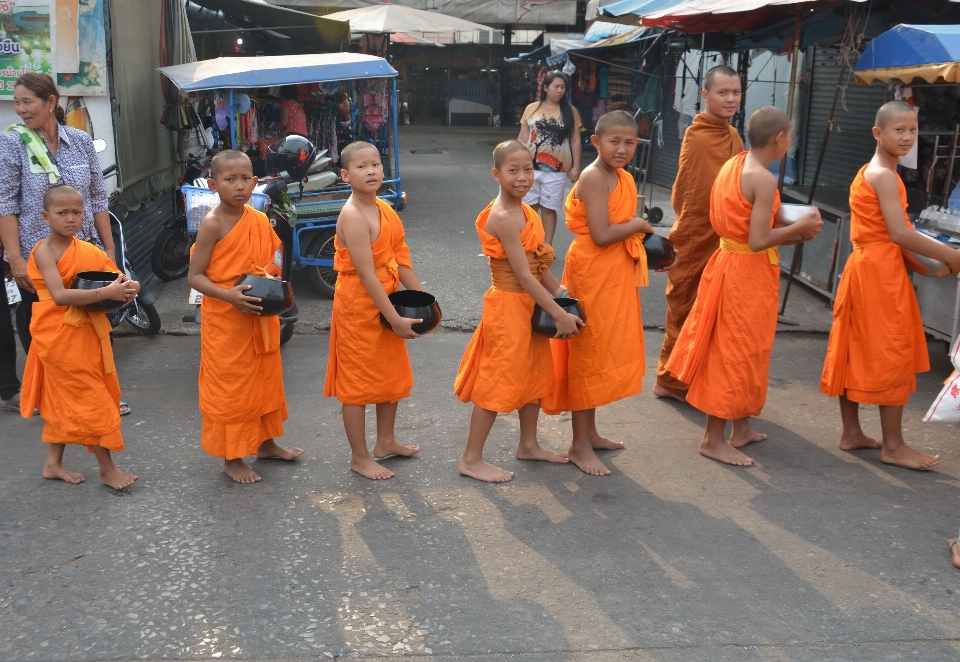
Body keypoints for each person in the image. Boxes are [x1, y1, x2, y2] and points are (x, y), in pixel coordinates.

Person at [665, 107, 823, 467]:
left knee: (748, 349)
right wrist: (798, 231)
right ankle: (712, 438)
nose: (791, 140)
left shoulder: (735, 163)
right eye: (791, 135)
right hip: (744, 272)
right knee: (732, 352)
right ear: (779, 139)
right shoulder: (763, 178)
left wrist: (797, 217)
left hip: (728, 265)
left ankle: (742, 426)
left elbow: (757, 216)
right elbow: (758, 238)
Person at [820, 101, 960, 470]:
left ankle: (852, 432)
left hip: (868, 267)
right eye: (898, 129)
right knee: (890, 352)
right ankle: (893, 446)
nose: (907, 137)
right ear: (878, 133)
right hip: (879, 276)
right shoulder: (883, 175)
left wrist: (934, 265)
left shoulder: (873, 170)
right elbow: (899, 232)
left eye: (913, 130)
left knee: (855, 348)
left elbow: (894, 235)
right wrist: (951, 256)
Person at [542, 110, 666, 476]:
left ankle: (591, 434)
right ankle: (579, 445)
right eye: (615, 141)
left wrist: (649, 248)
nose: (622, 149)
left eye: (630, 143)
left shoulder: (623, 177)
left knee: (602, 351)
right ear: (596, 142)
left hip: (614, 273)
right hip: (593, 272)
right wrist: (639, 225)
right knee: (589, 353)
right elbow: (601, 233)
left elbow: (621, 232)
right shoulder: (595, 176)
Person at [0, 73, 130, 416]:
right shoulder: (12, 143)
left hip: (84, 251)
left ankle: (98, 392)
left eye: (27, 102)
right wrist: (15, 260)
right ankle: (54, 395)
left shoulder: (81, 141)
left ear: (51, 103)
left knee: (93, 322)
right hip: (37, 254)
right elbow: (6, 205)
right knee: (45, 328)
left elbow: (97, 198)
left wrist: (109, 249)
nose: (20, 109)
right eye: (17, 102)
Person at [454, 140, 582, 483]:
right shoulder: (504, 216)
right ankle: (471, 458)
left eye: (528, 169)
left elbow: (537, 263)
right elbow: (524, 276)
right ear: (497, 174)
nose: (523, 177)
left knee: (534, 374)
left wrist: (561, 292)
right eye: (513, 171)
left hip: (531, 302)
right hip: (509, 306)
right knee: (499, 379)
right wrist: (558, 312)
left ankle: (529, 444)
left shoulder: (528, 211)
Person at [187, 150, 304, 484]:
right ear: (212, 185)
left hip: (259, 313)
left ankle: (266, 444)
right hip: (227, 319)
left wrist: (268, 278)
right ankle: (232, 457)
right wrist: (229, 295)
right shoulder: (212, 224)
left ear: (255, 182)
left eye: (245, 179)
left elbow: (270, 257)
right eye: (229, 179)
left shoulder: (256, 218)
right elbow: (195, 277)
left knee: (265, 382)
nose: (239, 186)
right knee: (233, 389)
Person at [19, 184, 138, 489]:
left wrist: (127, 287)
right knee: (90, 398)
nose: (70, 218)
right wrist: (106, 292)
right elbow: (58, 296)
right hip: (57, 335)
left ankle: (52, 464)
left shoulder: (86, 249)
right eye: (62, 213)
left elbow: (115, 275)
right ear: (45, 216)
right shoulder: (43, 252)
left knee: (65, 397)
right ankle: (107, 469)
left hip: (84, 331)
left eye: (77, 212)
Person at [324, 141, 424, 480]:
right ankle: (360, 456)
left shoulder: (385, 208)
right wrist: (394, 318)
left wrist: (424, 298)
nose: (371, 171)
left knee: (389, 373)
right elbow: (366, 275)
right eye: (361, 166)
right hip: (359, 305)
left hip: (388, 297)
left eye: (376, 165)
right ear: (345, 175)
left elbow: (401, 258)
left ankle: (385, 442)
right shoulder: (353, 215)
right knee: (357, 384)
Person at [655, 64, 744, 403]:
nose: (730, 99)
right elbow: (690, 193)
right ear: (705, 95)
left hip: (723, 237)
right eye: (723, 92)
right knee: (687, 307)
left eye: (735, 92)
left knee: (712, 308)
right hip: (697, 234)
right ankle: (669, 379)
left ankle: (694, 374)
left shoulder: (732, 135)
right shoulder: (699, 135)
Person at [518, 72, 582, 245]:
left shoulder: (570, 111)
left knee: (549, 208)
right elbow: (522, 138)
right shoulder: (532, 108)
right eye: (556, 86)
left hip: (558, 170)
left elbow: (575, 140)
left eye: (562, 87)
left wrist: (576, 166)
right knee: (529, 208)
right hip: (529, 167)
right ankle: (530, 242)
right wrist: (516, 163)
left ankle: (547, 245)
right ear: (545, 87)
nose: (559, 91)